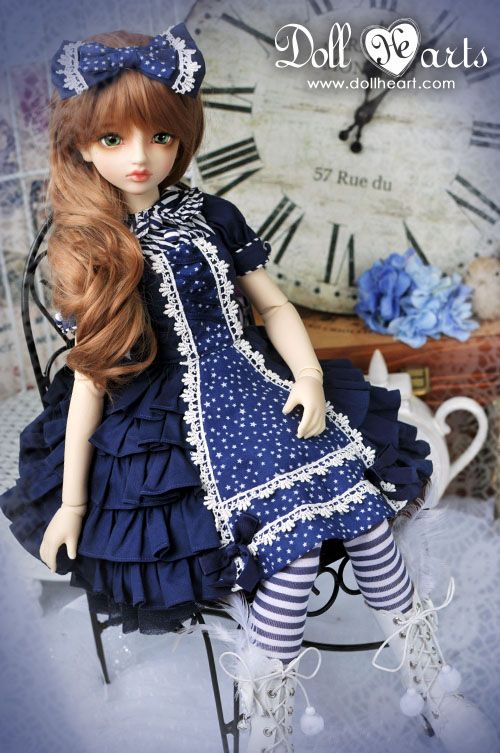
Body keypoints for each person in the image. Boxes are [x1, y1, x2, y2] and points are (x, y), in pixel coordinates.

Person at [0, 24, 497, 753]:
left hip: (260, 387)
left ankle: (436, 689)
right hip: (171, 425)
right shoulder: (94, 245)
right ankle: (268, 734)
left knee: (366, 520)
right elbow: (90, 378)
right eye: (113, 139)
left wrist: (308, 376)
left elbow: (274, 305)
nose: (140, 156)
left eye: (159, 136)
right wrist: (74, 502)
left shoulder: (212, 215)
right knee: (291, 558)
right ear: (82, 145)